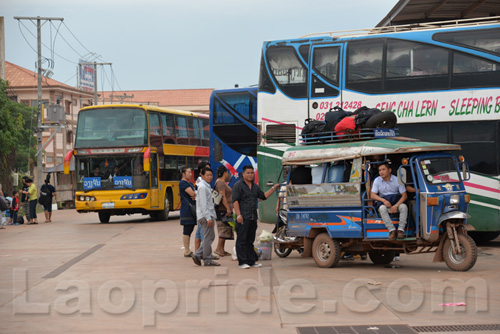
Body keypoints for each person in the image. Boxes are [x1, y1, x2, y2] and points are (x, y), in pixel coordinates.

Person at [232, 165, 279, 269]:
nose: (250, 175)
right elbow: (235, 201)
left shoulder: (255, 186)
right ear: (243, 174)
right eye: (248, 173)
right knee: (242, 240)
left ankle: (251, 261)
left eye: (252, 173)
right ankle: (242, 262)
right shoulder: (238, 185)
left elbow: (263, 196)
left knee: (250, 240)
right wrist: (238, 215)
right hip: (243, 217)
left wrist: (273, 188)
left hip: (253, 217)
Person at [370, 162, 408, 240]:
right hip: (385, 204)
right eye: (380, 170)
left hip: (396, 203)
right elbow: (372, 195)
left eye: (383, 169)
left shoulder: (397, 179)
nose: (381, 172)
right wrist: (384, 200)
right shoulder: (377, 180)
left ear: (389, 170)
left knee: (404, 207)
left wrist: (396, 205)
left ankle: (401, 230)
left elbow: (404, 196)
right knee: (382, 208)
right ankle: (392, 230)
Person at [192, 167, 220, 266]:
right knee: (208, 237)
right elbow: (203, 204)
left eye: (211, 175)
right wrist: (208, 218)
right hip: (205, 216)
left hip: (205, 215)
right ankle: (206, 258)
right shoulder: (203, 187)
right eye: (207, 175)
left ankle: (199, 254)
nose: (209, 177)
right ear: (202, 176)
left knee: (210, 236)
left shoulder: (205, 186)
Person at [214, 165, 234, 257]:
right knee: (223, 230)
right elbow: (223, 197)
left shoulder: (219, 182)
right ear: (224, 173)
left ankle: (222, 249)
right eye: (227, 172)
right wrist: (228, 209)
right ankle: (218, 248)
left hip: (223, 209)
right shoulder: (221, 183)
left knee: (225, 229)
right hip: (222, 210)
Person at [179, 167, 197, 257]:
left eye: (191, 172)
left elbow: (194, 195)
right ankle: (186, 250)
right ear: (183, 173)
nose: (190, 174)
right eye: (189, 172)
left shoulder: (189, 183)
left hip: (191, 208)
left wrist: (194, 195)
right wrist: (194, 195)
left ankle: (188, 249)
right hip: (187, 209)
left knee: (191, 228)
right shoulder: (182, 183)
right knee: (187, 229)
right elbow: (193, 194)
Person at [194, 161, 210, 251]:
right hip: (203, 212)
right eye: (207, 168)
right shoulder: (201, 182)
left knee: (199, 233)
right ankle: (204, 252)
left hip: (200, 211)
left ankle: (197, 252)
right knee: (204, 233)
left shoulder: (202, 181)